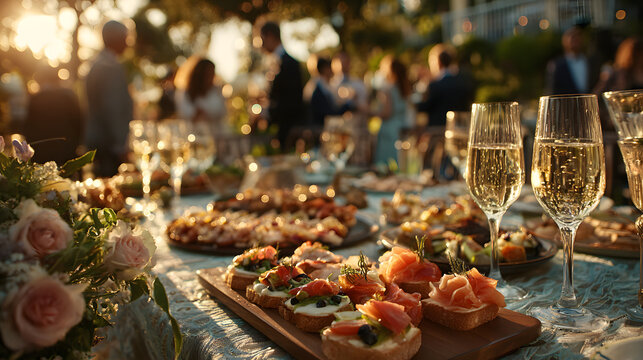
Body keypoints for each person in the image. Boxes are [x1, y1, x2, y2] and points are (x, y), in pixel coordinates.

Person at [85, 20, 133, 177]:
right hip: (109, 145)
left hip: (100, 142)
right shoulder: (109, 67)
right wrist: (120, 145)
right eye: (126, 38)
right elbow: (112, 109)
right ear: (116, 39)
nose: (128, 43)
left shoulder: (96, 63)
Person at [24, 66, 83, 165]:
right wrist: (76, 144)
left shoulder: (35, 99)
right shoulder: (68, 97)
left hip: (41, 154)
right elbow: (78, 122)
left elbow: (28, 128)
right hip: (66, 152)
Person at [260, 21, 304, 151]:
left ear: (270, 36)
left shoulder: (289, 63)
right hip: (279, 130)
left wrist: (266, 112)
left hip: (289, 132)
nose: (260, 44)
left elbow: (292, 101)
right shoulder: (275, 61)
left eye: (261, 39)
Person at [416, 44, 474, 127]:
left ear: (438, 62)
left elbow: (424, 107)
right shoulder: (464, 81)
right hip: (461, 127)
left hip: (439, 130)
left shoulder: (435, 85)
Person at [372, 55, 411, 166]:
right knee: (400, 163)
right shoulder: (404, 87)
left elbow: (387, 113)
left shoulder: (387, 88)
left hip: (388, 131)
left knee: (386, 166)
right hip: (401, 129)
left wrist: (368, 112)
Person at [175, 58, 228, 135]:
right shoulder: (184, 93)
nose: (212, 76)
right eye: (209, 73)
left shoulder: (217, 91)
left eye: (213, 73)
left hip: (217, 136)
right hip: (193, 136)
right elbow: (185, 114)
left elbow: (223, 112)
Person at [545, 26, 600, 95]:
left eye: (578, 37)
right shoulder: (556, 65)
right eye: (572, 37)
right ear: (564, 41)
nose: (575, 40)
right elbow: (552, 92)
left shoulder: (592, 62)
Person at [310, 57, 353, 127]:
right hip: (319, 129)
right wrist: (349, 104)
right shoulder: (319, 89)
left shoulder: (323, 87)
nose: (333, 70)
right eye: (330, 67)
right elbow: (330, 111)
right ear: (325, 69)